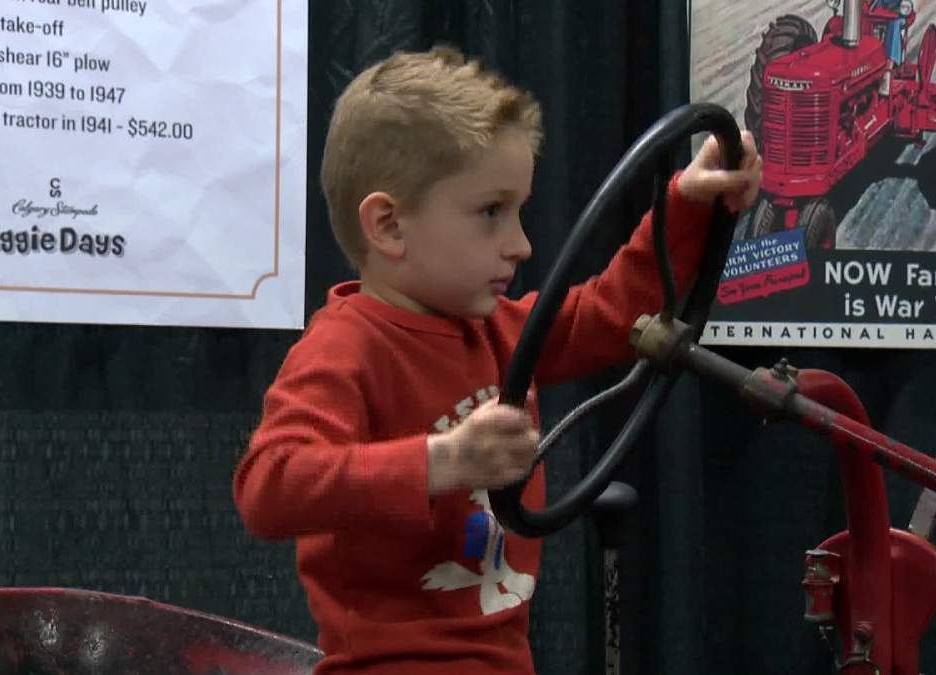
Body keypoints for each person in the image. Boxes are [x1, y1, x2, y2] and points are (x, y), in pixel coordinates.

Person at [232, 45, 761, 675]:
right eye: (490, 213)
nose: (521, 245)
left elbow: (616, 316)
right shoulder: (345, 348)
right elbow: (269, 486)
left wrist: (689, 204)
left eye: (519, 212)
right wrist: (442, 462)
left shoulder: (498, 331)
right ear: (389, 226)